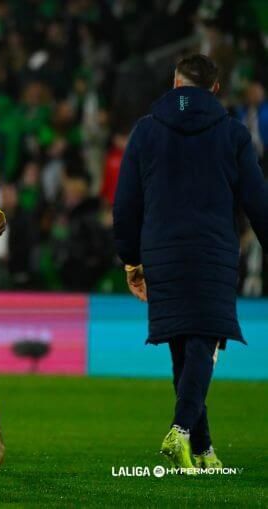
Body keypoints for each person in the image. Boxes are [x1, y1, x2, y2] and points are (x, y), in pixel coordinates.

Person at [113, 54, 268, 472]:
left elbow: (125, 202)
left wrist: (131, 260)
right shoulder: (233, 134)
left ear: (175, 83)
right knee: (205, 338)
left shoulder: (145, 131)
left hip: (161, 251)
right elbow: (257, 200)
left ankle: (202, 450)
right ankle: (180, 430)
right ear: (215, 89)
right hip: (212, 250)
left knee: (183, 346)